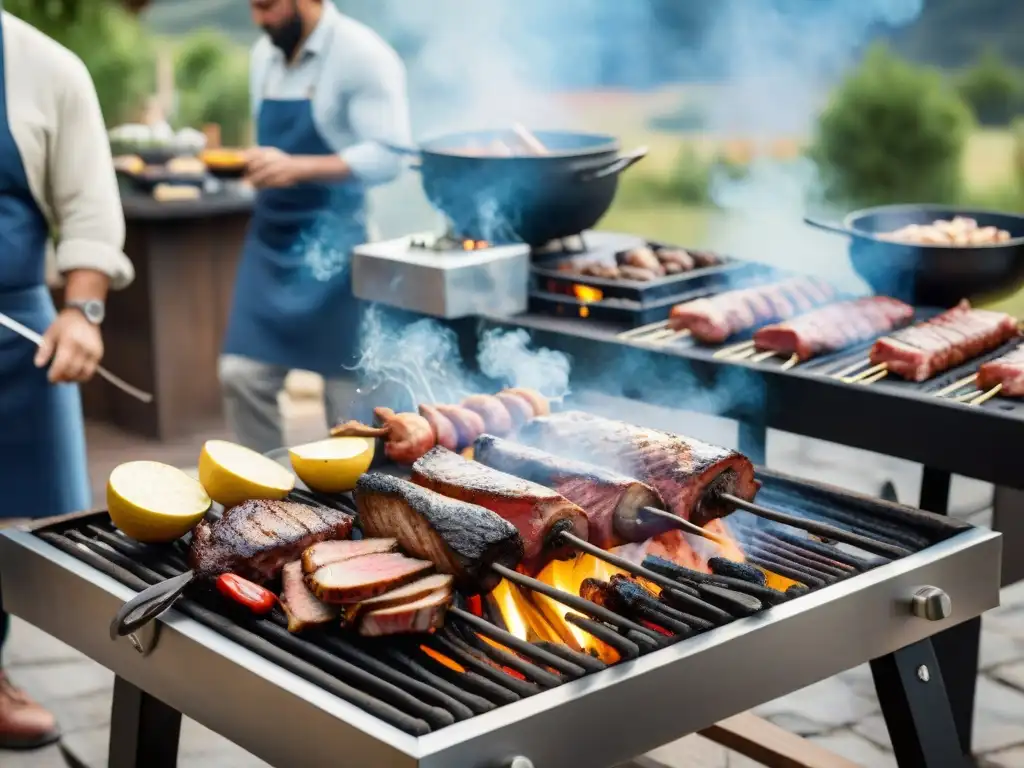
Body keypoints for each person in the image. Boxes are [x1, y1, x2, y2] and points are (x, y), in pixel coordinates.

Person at [0, 10, 133, 751]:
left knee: (16, 526)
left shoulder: (45, 68)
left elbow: (88, 205)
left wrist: (81, 312)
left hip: (12, 330)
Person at [220, 0, 411, 454]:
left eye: (267, 6)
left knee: (347, 408)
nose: (258, 19)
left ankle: (354, 507)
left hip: (340, 246)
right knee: (241, 376)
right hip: (272, 239)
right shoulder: (263, 54)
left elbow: (391, 155)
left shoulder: (363, 54)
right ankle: (262, 496)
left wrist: (298, 167)